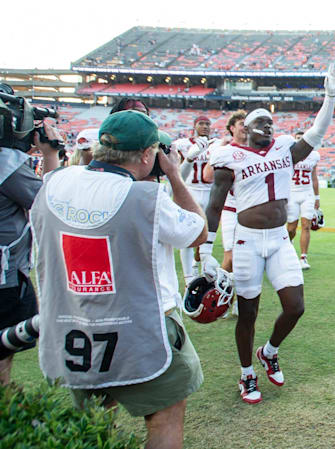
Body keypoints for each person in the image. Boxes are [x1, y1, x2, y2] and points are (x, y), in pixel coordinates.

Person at [32, 111, 206, 449]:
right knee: (165, 415)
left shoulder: (55, 182)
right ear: (146, 155)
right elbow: (197, 231)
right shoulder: (146, 197)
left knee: (94, 418)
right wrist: (173, 174)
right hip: (141, 325)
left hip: (74, 325)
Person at [206, 63, 335, 404]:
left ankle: (268, 352)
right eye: (260, 122)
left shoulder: (284, 148)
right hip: (247, 239)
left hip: (280, 238)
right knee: (248, 312)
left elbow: (317, 132)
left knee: (295, 306)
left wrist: (330, 95)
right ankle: (246, 374)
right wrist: (208, 249)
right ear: (245, 129)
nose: (268, 125)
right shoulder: (228, 155)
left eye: (271, 121)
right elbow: (215, 203)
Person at [0, 114, 61, 385]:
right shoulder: (6, 165)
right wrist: (50, 154)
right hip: (4, 275)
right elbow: (50, 203)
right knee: (3, 347)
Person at [203, 110, 247, 274]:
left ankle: (235, 296)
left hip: (252, 211)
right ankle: (220, 294)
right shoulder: (224, 150)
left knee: (247, 260)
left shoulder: (255, 150)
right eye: (242, 124)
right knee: (231, 257)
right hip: (231, 210)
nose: (246, 127)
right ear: (231, 128)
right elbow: (207, 176)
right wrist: (216, 152)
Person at [173, 116, 213, 282]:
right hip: (191, 192)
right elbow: (178, 174)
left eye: (207, 124)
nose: (204, 127)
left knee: (206, 237)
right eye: (201, 124)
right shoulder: (182, 144)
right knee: (188, 234)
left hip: (210, 193)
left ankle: (198, 264)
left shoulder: (215, 145)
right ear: (194, 125)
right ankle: (188, 276)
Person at [285, 140, 320, 270]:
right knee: (290, 229)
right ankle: (288, 247)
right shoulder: (289, 155)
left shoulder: (314, 155)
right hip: (292, 194)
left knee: (306, 226)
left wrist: (317, 198)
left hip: (307, 194)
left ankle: (303, 257)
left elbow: (314, 177)